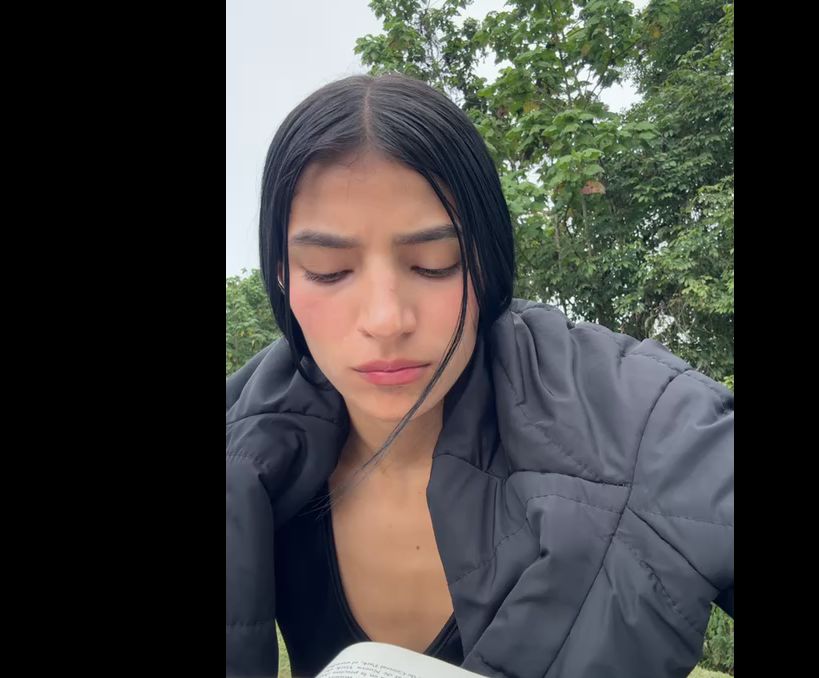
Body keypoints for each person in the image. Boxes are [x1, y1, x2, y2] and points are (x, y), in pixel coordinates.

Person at [226, 73, 733, 678]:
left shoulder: (642, 417)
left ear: (487, 263)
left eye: (434, 263)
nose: (386, 320)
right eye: (329, 270)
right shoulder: (240, 445)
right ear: (283, 276)